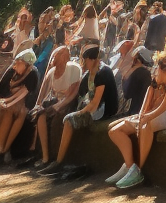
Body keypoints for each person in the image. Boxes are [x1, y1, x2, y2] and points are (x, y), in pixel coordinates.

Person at [106, 52, 166, 189]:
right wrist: (139, 117)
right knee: (114, 130)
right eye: (158, 68)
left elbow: (163, 108)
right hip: (155, 113)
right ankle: (129, 166)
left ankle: (139, 169)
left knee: (146, 124)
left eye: (164, 69)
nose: (159, 72)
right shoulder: (155, 79)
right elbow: (145, 106)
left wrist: (144, 119)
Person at [43, 45, 119, 175]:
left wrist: (79, 112)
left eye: (86, 60)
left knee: (69, 120)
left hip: (103, 109)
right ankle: (61, 159)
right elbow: (82, 93)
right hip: (92, 106)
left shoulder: (103, 73)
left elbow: (96, 102)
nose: (84, 64)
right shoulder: (89, 74)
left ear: (92, 59)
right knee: (65, 116)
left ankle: (59, 162)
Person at [31, 45, 81, 164]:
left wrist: (58, 106)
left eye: (57, 55)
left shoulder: (74, 69)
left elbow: (72, 94)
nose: (53, 58)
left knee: (57, 120)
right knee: (40, 115)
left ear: (64, 57)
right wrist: (38, 105)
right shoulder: (52, 72)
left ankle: (57, 157)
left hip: (70, 102)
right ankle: (45, 156)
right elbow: (43, 92)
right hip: (56, 101)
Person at [0, 49, 40, 161]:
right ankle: (2, 147)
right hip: (8, 99)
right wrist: (6, 101)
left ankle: (3, 148)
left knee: (16, 111)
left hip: (25, 104)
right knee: (6, 110)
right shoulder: (12, 71)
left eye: (18, 63)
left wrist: (9, 103)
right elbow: (3, 87)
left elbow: (23, 94)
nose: (14, 66)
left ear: (26, 64)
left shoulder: (32, 74)